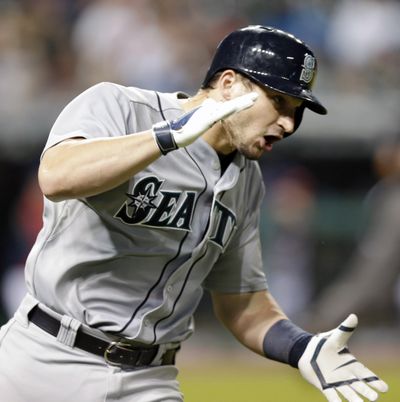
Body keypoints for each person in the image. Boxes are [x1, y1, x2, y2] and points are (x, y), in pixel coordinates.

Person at [0, 25, 388, 402]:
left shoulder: (246, 181)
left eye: (297, 111)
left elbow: (243, 304)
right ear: (229, 84)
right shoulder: (121, 107)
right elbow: (56, 175)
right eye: (280, 102)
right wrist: (164, 138)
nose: (288, 124)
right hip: (42, 357)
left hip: (147, 379)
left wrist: (300, 348)